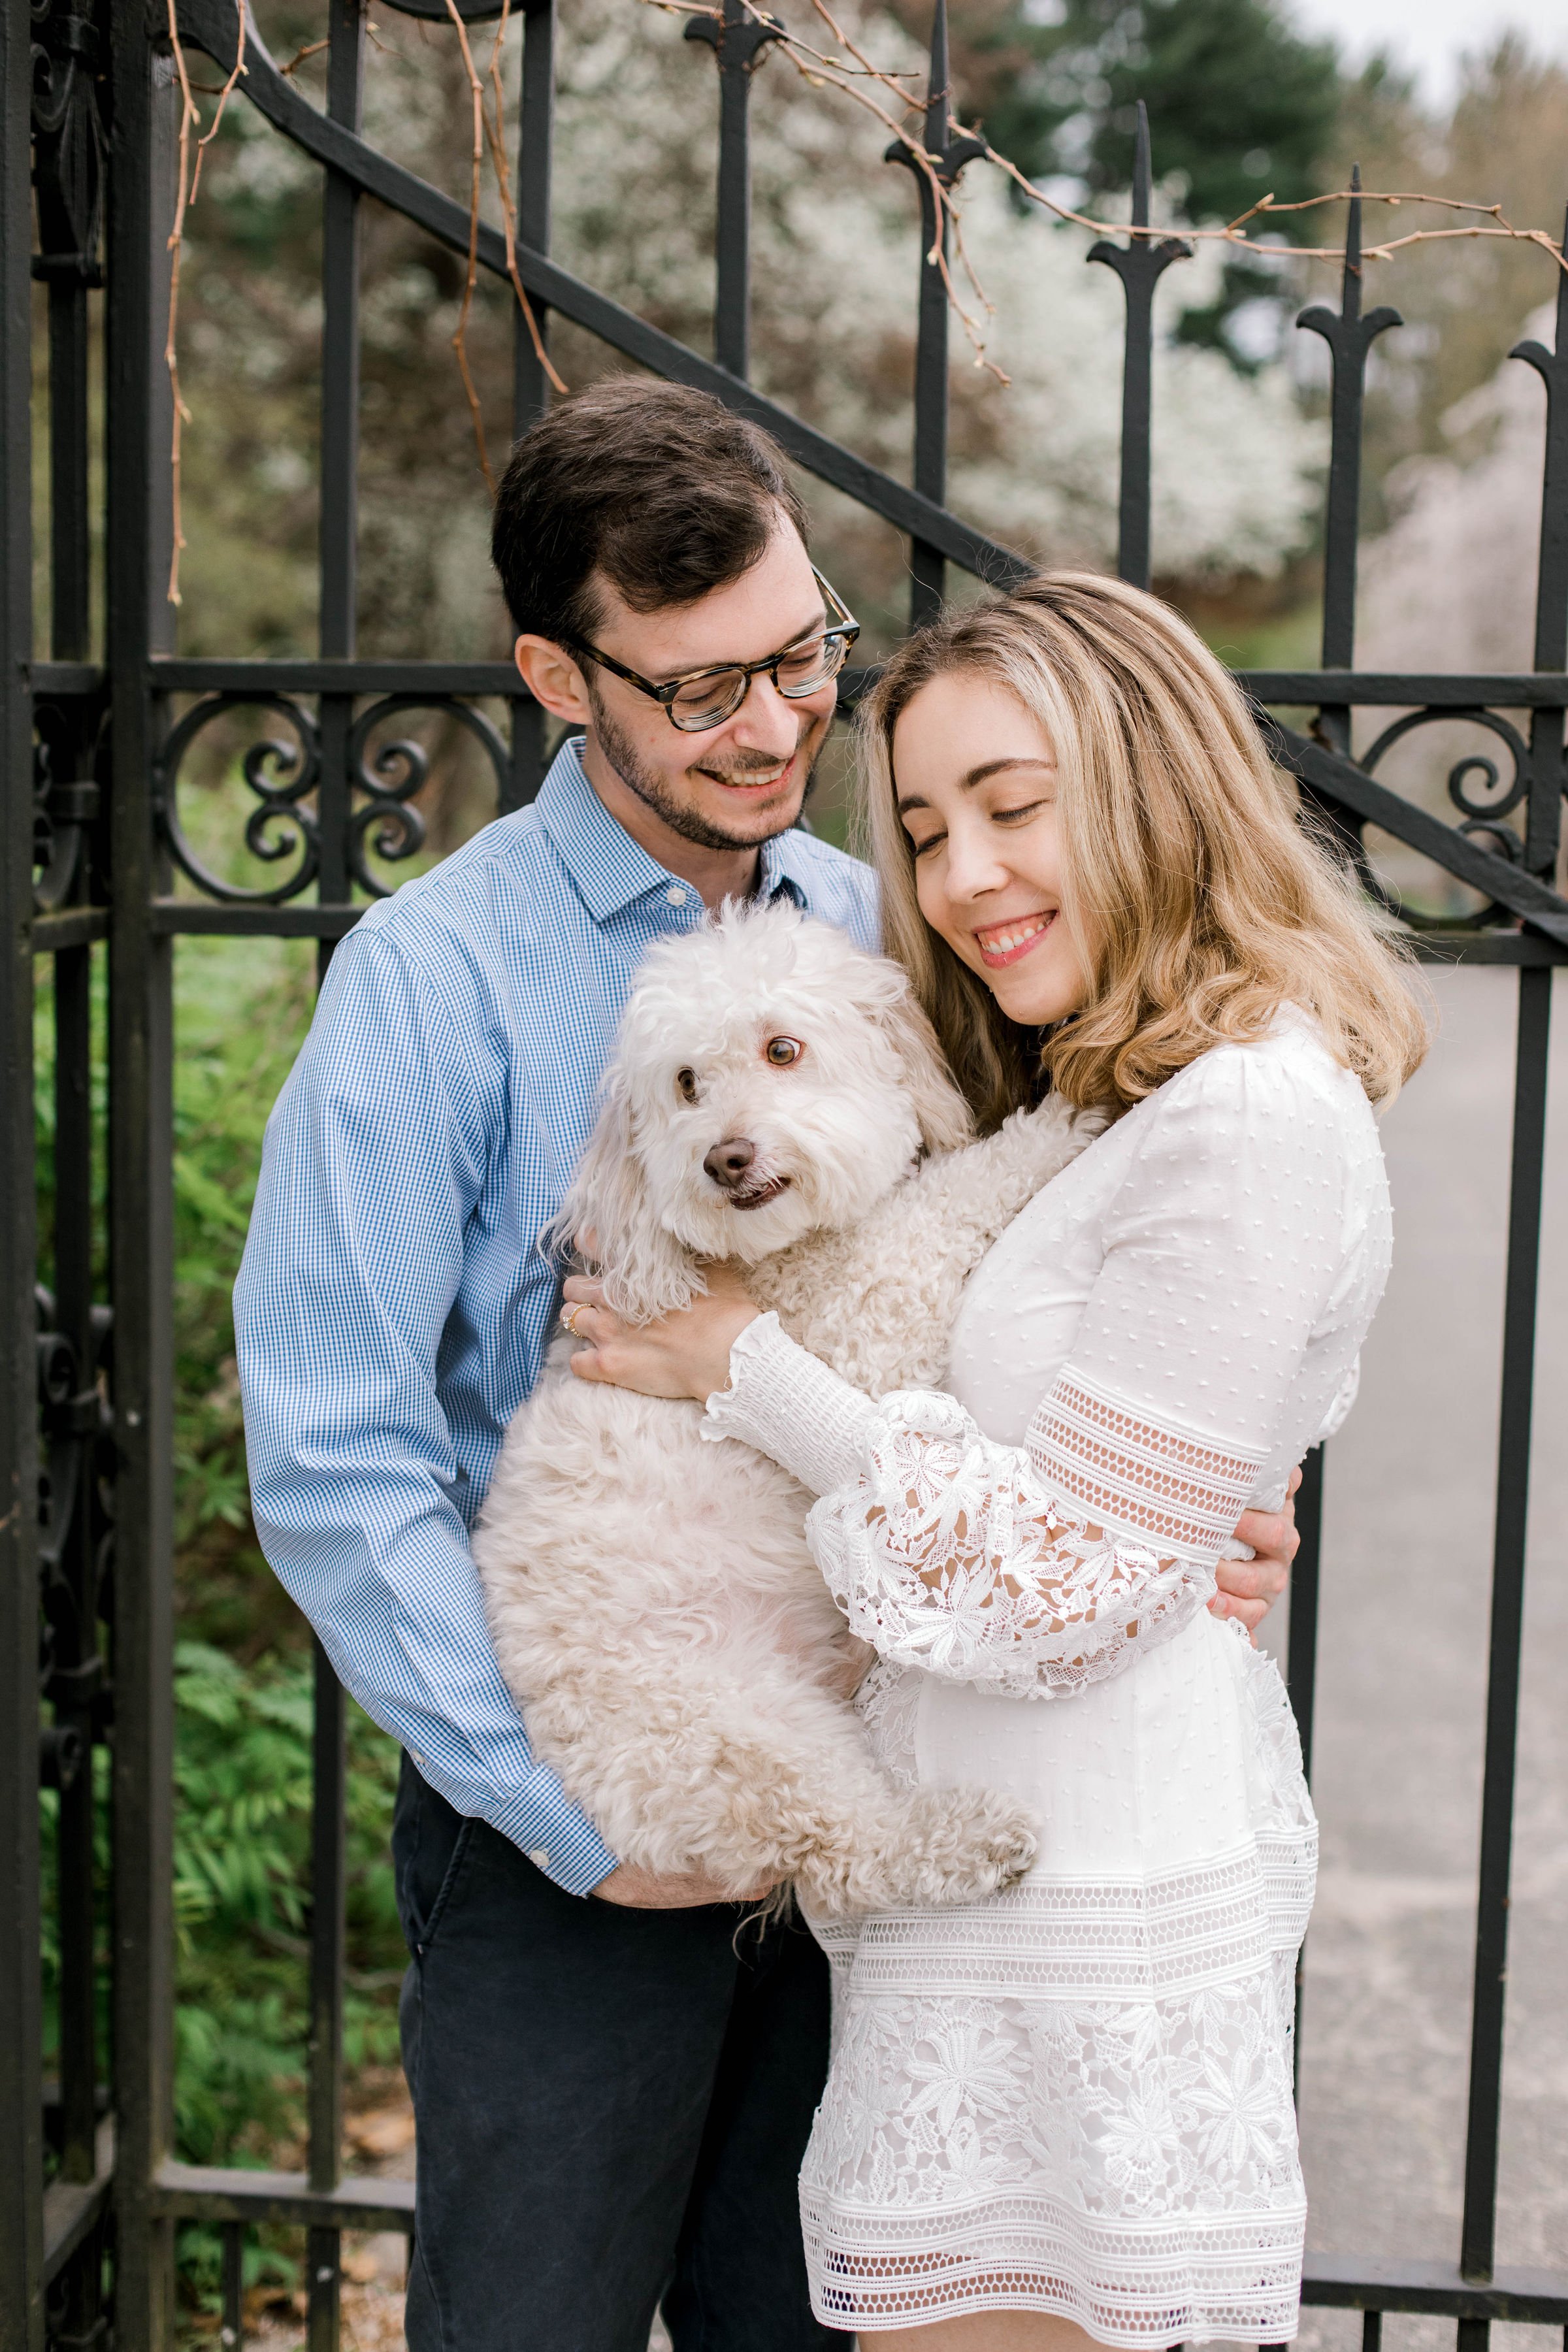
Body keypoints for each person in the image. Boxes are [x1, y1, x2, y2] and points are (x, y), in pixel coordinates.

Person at [234, 386, 1296, 2352]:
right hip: (575, 1817)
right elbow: (331, 1453)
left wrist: (1186, 1509)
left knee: (814, 2325)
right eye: (706, 685)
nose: (780, 722)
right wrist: (565, 1811)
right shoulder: (431, 982)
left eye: (806, 655)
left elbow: (1040, 1288)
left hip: (889, 1762)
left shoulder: (889, 929)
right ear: (562, 674)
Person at [560, 572, 1429, 2349]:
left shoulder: (1248, 1112)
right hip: (1007, 1890)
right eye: (934, 829)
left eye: (1017, 809)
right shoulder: (1118, 1102)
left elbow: (1062, 1585)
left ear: (1155, 782)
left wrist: (749, 1370)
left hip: (1088, 1903)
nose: (963, 880)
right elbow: (1113, 1494)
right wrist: (1190, 1537)